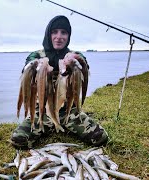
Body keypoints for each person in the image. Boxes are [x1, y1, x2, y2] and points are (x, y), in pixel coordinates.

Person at [10, 15, 109, 149]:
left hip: (69, 112)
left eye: (64, 32)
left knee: (100, 138)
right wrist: (37, 66)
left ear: (68, 36)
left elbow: (84, 64)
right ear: (48, 34)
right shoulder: (37, 54)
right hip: (43, 113)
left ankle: (65, 124)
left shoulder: (73, 54)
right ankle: (48, 125)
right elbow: (28, 64)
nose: (59, 36)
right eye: (54, 32)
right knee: (18, 140)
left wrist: (77, 59)